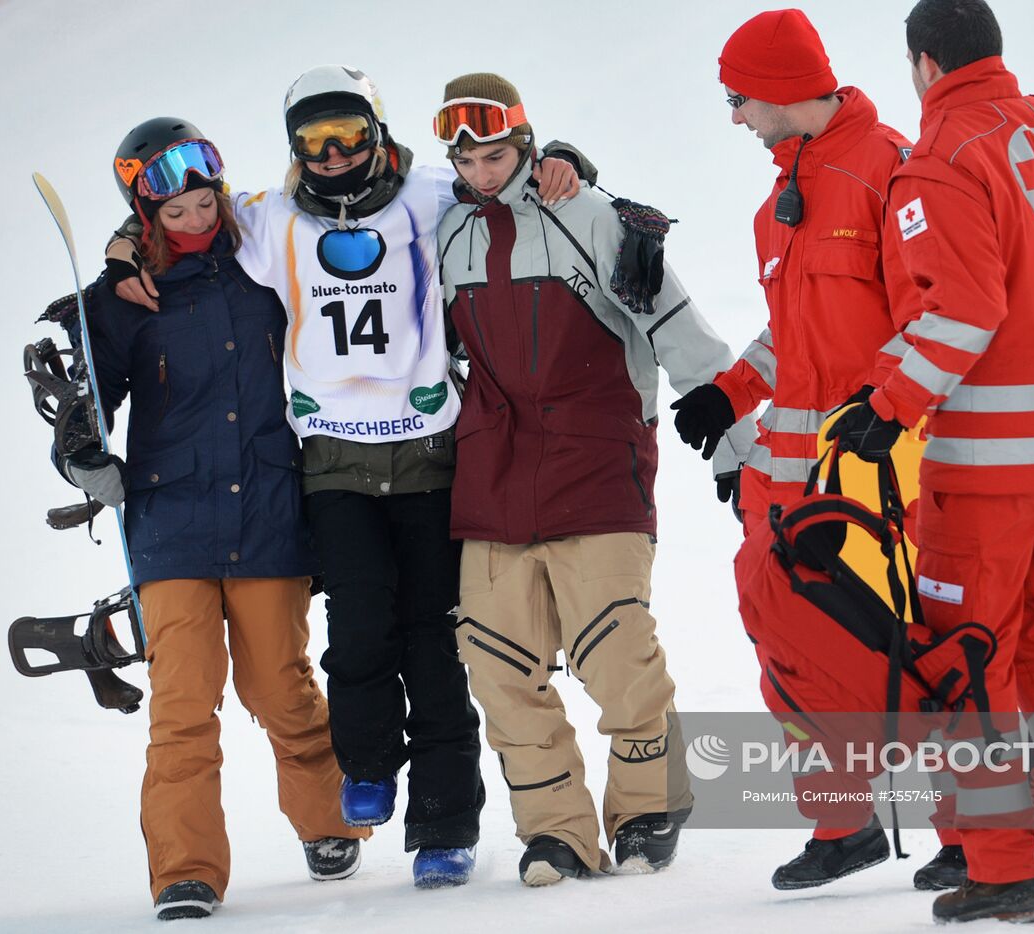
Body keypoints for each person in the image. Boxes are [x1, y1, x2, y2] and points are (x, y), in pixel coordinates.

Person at [105, 66, 589, 889]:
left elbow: (500, 180)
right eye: (313, 141)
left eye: (349, 135)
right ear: (293, 147)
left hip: (420, 456)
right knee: (354, 631)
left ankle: (443, 819)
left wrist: (563, 158)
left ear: (376, 129)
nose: (332, 155)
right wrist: (123, 249)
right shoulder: (267, 221)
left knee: (429, 644)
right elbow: (178, 245)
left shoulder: (429, 193)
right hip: (326, 467)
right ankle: (352, 777)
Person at [825, 0, 1034, 922]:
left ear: (924, 64)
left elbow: (963, 309)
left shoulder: (937, 160)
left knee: (964, 661)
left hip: (986, 470)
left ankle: (1004, 870)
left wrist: (886, 405)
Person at [434, 72, 754, 886]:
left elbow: (680, 332)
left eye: (498, 154)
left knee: (614, 648)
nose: (482, 174)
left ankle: (649, 805)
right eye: (466, 162)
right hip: (494, 472)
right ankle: (557, 833)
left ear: (527, 141)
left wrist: (738, 447)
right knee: (498, 664)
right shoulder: (444, 234)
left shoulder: (598, 217)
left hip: (597, 457)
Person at [69, 117, 369, 921]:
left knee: (279, 686)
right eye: (175, 213)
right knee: (182, 705)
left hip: (270, 508)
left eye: (204, 201)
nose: (197, 220)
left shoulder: (265, 260)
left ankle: (328, 821)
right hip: (170, 522)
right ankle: (186, 870)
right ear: (145, 219)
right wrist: (80, 453)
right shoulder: (126, 297)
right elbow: (79, 397)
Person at [669, 8, 935, 890]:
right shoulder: (776, 202)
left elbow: (922, 323)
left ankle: (971, 831)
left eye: (741, 98)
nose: (735, 116)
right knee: (782, 640)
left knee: (899, 638)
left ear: (783, 89)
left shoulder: (889, 170)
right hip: (782, 482)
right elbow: (793, 333)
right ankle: (840, 822)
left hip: (870, 468)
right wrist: (730, 392)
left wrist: (878, 420)